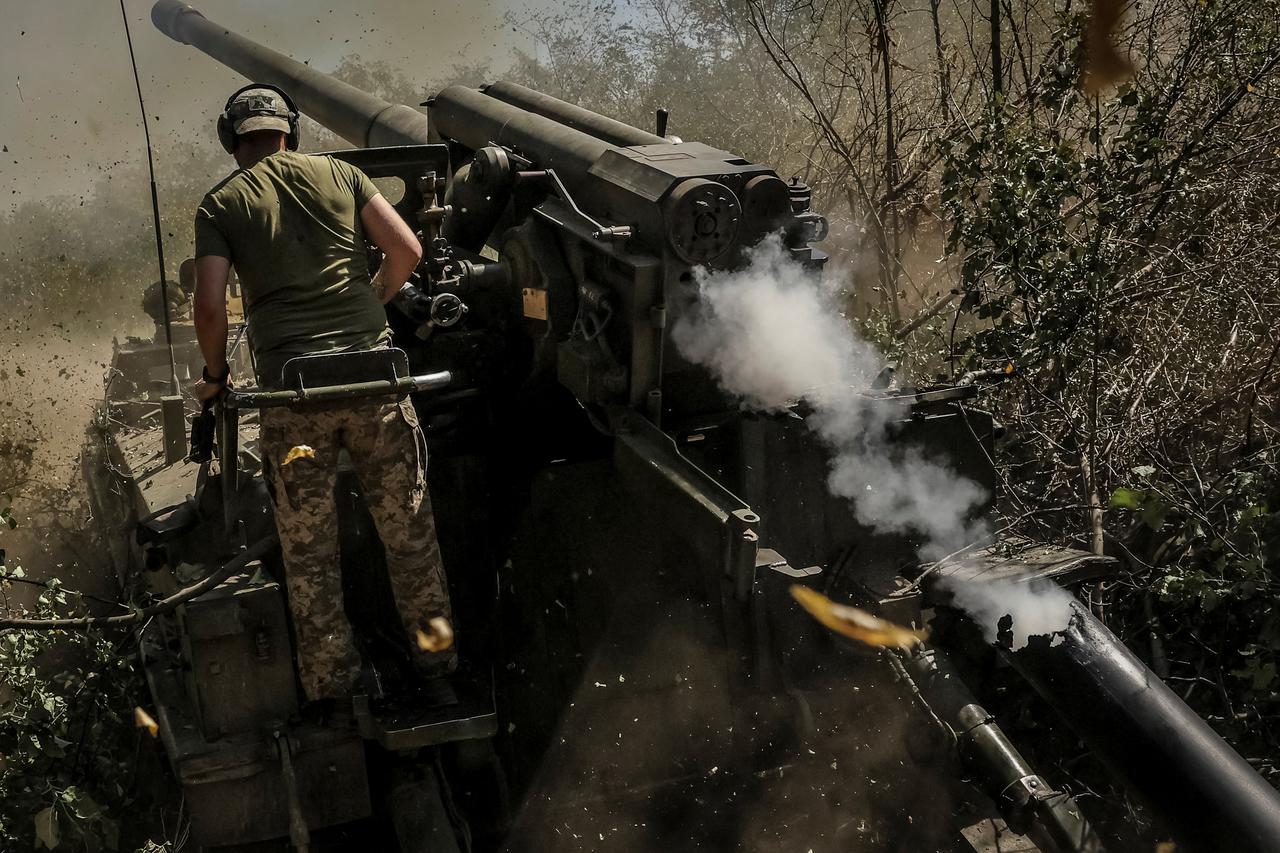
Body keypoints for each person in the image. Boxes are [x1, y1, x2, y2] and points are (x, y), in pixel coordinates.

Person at [189, 83, 454, 713]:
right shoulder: (340, 173)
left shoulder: (220, 203)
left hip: (295, 395)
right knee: (411, 540)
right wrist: (375, 304)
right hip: (377, 381)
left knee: (311, 556)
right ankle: (438, 672)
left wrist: (217, 375)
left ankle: (334, 692)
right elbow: (408, 250)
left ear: (233, 140)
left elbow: (208, 307)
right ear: (291, 131)